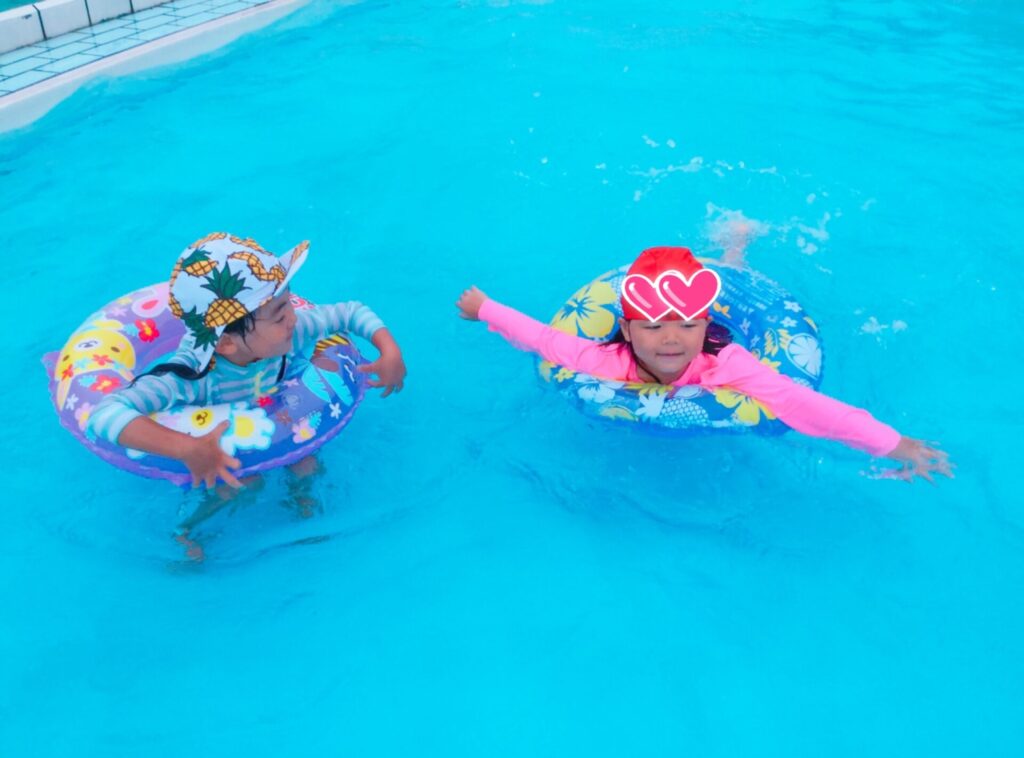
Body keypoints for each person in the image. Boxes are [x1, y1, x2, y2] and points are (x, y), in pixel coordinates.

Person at [456, 246, 952, 484]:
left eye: (687, 325)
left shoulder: (728, 363)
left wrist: (895, 443)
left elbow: (806, 405)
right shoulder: (604, 359)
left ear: (705, 325)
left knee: (733, 268)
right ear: (627, 330)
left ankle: (733, 251)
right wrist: (486, 309)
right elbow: (545, 340)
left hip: (733, 327)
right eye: (653, 327)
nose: (671, 339)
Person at [89, 232, 407, 492]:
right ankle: (190, 533)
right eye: (280, 315)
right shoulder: (191, 375)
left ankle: (304, 508)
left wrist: (389, 350)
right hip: (222, 444)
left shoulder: (291, 331)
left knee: (307, 465)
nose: (293, 317)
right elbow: (105, 414)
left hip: (278, 418)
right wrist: (187, 448)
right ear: (225, 342)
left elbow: (351, 312)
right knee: (239, 488)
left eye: (288, 303)